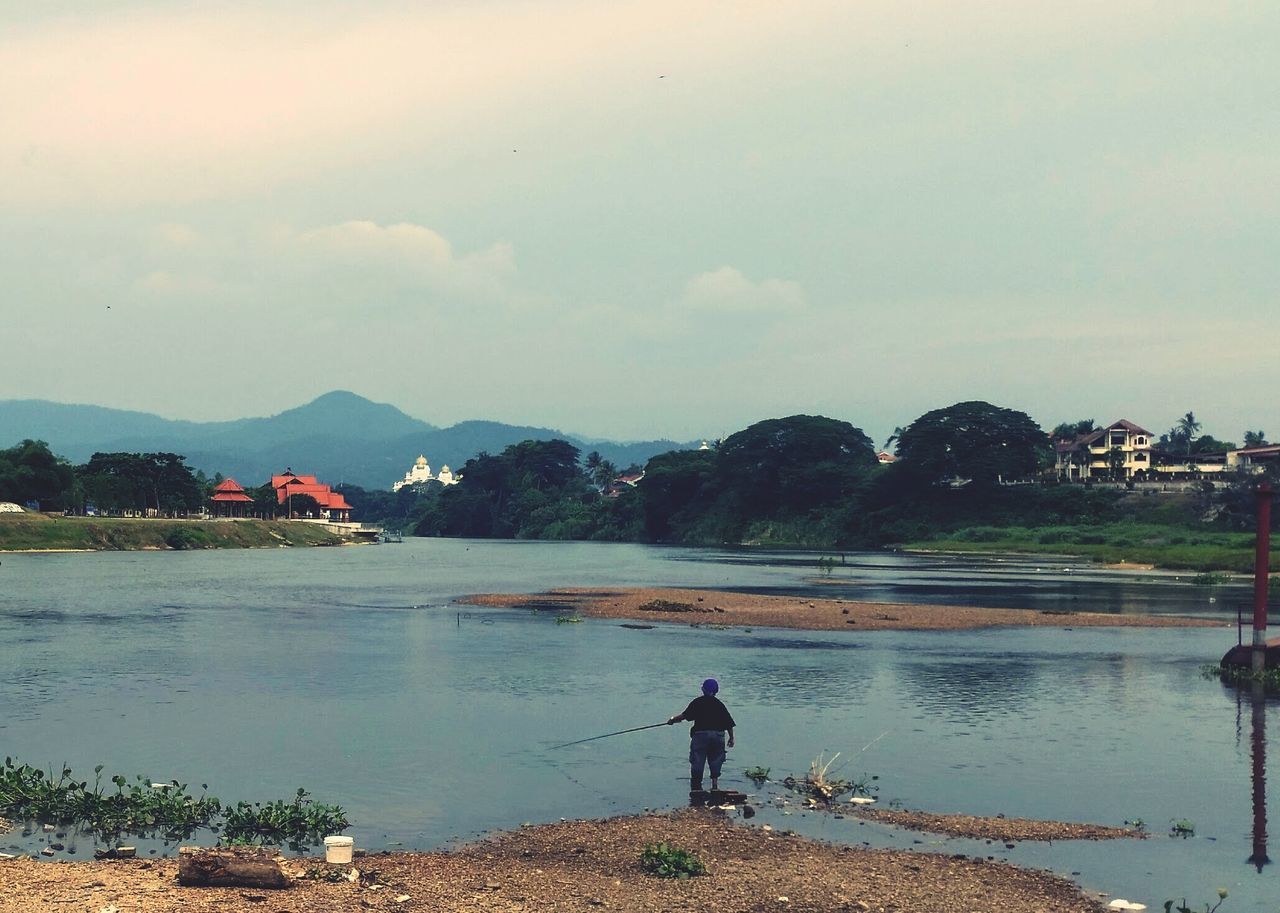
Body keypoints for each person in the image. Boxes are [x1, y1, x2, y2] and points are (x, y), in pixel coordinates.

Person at [667, 677, 735, 792]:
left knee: (697, 759)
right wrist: (731, 737)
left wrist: (672, 719)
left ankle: (696, 787)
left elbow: (685, 716)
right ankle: (714, 786)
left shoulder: (698, 702)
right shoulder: (720, 704)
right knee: (716, 760)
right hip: (718, 736)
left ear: (703, 689)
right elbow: (728, 723)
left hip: (701, 735)